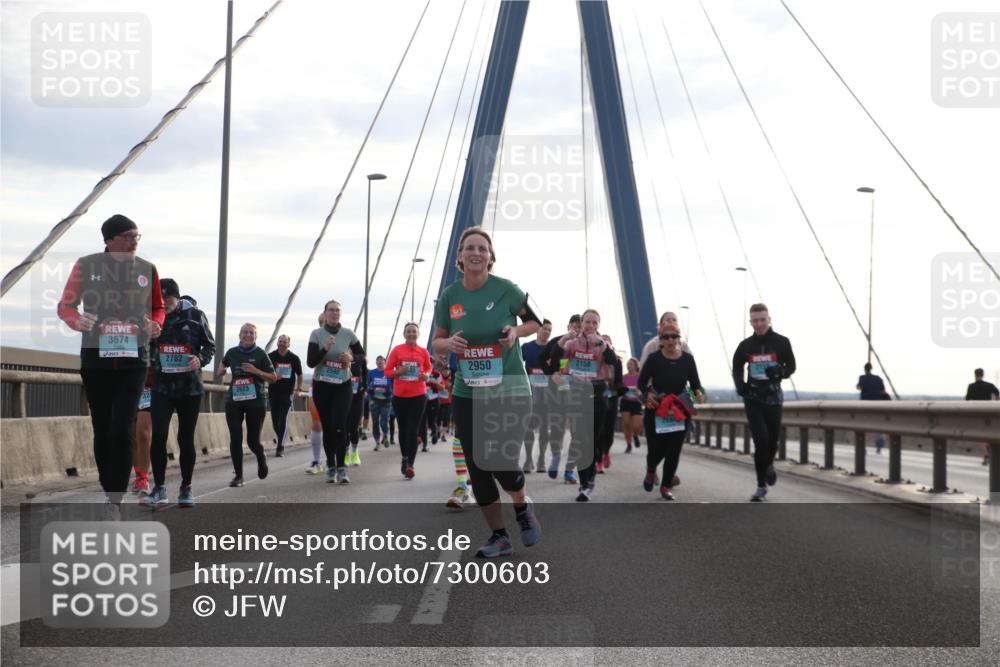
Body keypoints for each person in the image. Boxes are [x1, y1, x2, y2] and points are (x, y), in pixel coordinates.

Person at [433, 226, 542, 557]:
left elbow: (536, 322)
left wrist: (514, 332)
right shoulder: (451, 296)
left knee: (497, 457)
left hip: (509, 386)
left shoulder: (507, 289)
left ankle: (522, 507)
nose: (476, 253)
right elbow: (436, 341)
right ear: (461, 257)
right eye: (470, 248)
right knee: (477, 464)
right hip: (469, 390)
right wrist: (448, 343)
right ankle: (499, 535)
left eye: (482, 248)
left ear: (491, 257)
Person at [57, 214, 165, 511]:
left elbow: (158, 307)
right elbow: (65, 305)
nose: (134, 242)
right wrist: (77, 321)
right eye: (129, 236)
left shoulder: (147, 269)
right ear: (109, 240)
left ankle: (115, 495)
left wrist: (155, 323)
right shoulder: (86, 265)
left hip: (134, 360)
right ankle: (109, 487)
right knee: (102, 427)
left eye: (137, 236)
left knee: (122, 425)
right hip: (96, 360)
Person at [142, 279, 215, 507]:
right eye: (159, 301)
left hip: (189, 388)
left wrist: (199, 359)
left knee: (185, 439)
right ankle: (160, 488)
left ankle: (186, 487)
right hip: (162, 387)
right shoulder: (153, 317)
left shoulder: (195, 315)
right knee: (159, 436)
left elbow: (210, 346)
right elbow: (144, 347)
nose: (164, 304)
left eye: (168, 300)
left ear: (177, 297)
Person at [732, 303, 796, 502]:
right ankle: (761, 486)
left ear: (769, 319)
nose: (759, 324)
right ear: (750, 322)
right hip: (753, 398)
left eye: (763, 320)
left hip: (773, 397)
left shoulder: (782, 342)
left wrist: (780, 372)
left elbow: (792, 366)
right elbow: (736, 367)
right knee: (760, 441)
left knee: (771, 441)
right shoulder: (745, 346)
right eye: (755, 321)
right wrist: (740, 386)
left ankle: (768, 464)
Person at [638, 323, 704, 500]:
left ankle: (666, 486)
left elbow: (696, 384)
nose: (670, 340)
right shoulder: (654, 359)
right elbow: (641, 383)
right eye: (666, 337)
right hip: (657, 407)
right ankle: (651, 470)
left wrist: (698, 393)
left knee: (674, 450)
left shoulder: (688, 360)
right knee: (656, 448)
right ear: (660, 339)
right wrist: (647, 395)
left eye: (674, 336)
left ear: (679, 338)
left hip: (679, 409)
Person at [558, 309, 619, 501]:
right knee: (580, 439)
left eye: (594, 322)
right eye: (587, 322)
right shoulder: (571, 343)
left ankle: (588, 480)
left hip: (598, 393)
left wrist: (602, 345)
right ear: (582, 323)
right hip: (576, 392)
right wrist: (562, 372)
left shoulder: (603, 344)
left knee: (592, 441)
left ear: (598, 325)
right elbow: (561, 359)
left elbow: (613, 362)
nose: (590, 326)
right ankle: (584, 484)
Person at [307, 300, 367, 484]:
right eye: (331, 310)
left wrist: (351, 358)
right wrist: (325, 349)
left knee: (340, 425)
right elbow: (310, 362)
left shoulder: (348, 334)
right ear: (325, 314)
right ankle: (331, 466)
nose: (334, 313)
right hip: (322, 386)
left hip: (343, 385)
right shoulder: (316, 334)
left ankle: (342, 468)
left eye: (337, 311)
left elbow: (361, 355)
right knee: (328, 427)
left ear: (340, 314)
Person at [217, 323, 276, 487]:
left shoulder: (261, 354)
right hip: (234, 401)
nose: (247, 335)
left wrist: (256, 371)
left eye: (251, 333)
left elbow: (273, 377)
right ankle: (239, 476)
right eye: (244, 332)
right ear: (239, 335)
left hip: (255, 402)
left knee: (252, 441)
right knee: (235, 437)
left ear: (256, 337)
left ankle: (260, 455)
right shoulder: (232, 352)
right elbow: (223, 363)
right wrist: (221, 370)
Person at [538, 314, 583, 482]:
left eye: (580, 326)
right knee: (557, 430)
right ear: (568, 326)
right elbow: (541, 358)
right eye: (574, 326)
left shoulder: (587, 344)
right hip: (558, 391)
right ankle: (556, 456)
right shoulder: (558, 341)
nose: (577, 329)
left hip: (578, 393)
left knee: (577, 433)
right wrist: (551, 374)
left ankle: (569, 470)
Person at [385, 322, 432, 478]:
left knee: (413, 430)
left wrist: (426, 375)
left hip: (418, 395)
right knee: (403, 430)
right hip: (400, 396)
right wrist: (398, 372)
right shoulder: (397, 350)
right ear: (404, 334)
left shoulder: (423, 352)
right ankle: (404, 458)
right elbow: (387, 371)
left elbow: (428, 368)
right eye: (408, 331)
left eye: (414, 331)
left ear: (418, 334)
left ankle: (411, 464)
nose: (411, 333)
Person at [521, 319, 553, 473]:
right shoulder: (527, 347)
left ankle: (541, 459)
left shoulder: (554, 348)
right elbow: (516, 365)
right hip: (531, 394)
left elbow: (560, 369)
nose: (546, 332)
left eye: (549, 330)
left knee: (545, 429)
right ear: (537, 330)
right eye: (544, 328)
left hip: (548, 395)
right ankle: (528, 459)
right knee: (528, 428)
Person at [268, 334, 303, 458]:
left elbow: (299, 375)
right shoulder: (271, 356)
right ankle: (281, 437)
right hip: (273, 392)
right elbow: (266, 373)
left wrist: (298, 389)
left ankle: (280, 447)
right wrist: (272, 376)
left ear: (288, 344)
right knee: (275, 421)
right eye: (280, 341)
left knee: (283, 419)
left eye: (284, 342)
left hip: (287, 393)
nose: (282, 343)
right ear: (277, 343)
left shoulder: (294, 358)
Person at [304, 313, 326, 474]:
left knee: (336, 426)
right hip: (317, 384)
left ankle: (337, 459)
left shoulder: (343, 339)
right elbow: (311, 362)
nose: (321, 324)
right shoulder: (315, 338)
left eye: (324, 321)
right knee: (316, 423)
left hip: (339, 387)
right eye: (319, 321)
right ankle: (317, 461)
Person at [966, 368, 1000, 465]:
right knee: (990, 433)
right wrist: (995, 403)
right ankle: (991, 452)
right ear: (983, 374)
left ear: (975, 375)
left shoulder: (971, 386)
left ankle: (986, 456)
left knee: (980, 436)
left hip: (977, 413)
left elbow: (968, 400)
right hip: (989, 411)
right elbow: (997, 393)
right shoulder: (989, 385)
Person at [131, 363, 154, 495]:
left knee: (143, 434)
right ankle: (139, 474)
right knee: (132, 434)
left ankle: (143, 479)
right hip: (129, 382)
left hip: (149, 386)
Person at [856, 362, 889, 453]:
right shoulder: (878, 379)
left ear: (865, 369)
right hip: (877, 405)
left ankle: (862, 447)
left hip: (865, 406)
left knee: (863, 427)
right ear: (871, 368)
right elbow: (883, 391)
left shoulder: (862, 378)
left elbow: (859, 387)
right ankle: (879, 446)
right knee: (878, 427)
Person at [346, 356, 368, 466]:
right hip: (343, 396)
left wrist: (364, 387)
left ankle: (354, 452)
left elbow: (365, 374)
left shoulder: (360, 360)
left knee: (354, 426)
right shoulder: (339, 356)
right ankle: (345, 453)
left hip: (357, 397)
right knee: (343, 426)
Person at [368, 355, 392, 450]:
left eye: (382, 361)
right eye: (378, 361)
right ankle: (377, 442)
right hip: (374, 400)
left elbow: (394, 386)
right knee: (375, 422)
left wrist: (388, 391)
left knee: (384, 421)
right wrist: (371, 388)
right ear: (376, 363)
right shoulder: (371, 373)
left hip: (386, 400)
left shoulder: (389, 373)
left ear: (385, 363)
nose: (380, 362)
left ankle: (385, 436)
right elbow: (367, 384)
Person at [621, 358, 643, 454]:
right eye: (628, 364)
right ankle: (629, 445)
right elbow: (620, 389)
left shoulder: (640, 377)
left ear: (635, 366)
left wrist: (639, 391)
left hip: (636, 402)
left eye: (631, 364)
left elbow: (643, 388)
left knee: (636, 426)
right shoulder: (623, 377)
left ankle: (635, 435)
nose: (629, 365)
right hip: (625, 402)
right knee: (626, 424)